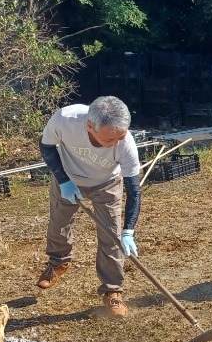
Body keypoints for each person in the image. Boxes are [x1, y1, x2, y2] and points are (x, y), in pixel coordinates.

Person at [36, 95, 142, 318]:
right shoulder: (66, 119)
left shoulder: (126, 145)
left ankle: (113, 290)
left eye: (121, 137)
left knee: (111, 236)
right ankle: (58, 263)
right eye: (110, 139)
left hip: (107, 183)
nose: (117, 143)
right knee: (58, 224)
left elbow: (134, 190)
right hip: (68, 179)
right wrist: (63, 180)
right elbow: (46, 145)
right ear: (89, 127)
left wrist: (128, 231)